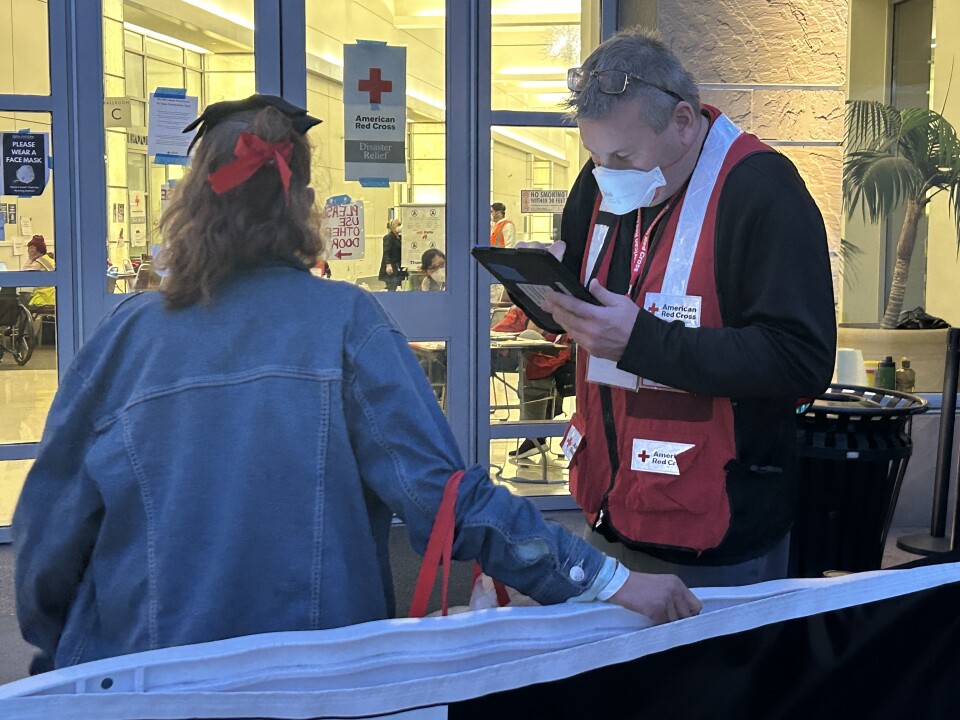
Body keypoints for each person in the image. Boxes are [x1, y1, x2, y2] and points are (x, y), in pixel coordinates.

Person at [13, 93, 699, 675]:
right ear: (301, 204)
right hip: (318, 677)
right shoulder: (345, 323)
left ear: (189, 201)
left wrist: (64, 656)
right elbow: (448, 497)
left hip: (147, 675)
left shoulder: (123, 336)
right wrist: (605, 578)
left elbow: (49, 536)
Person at [536, 29, 836, 587]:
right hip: (610, 507)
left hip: (716, 526)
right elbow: (585, 301)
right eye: (594, 156)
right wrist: (544, 293)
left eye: (622, 156)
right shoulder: (604, 178)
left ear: (682, 121)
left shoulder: (763, 190)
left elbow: (801, 359)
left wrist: (640, 342)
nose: (606, 175)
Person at [491, 306, 574, 460]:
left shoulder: (533, 308)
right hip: (543, 357)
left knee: (529, 344)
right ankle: (534, 437)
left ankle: (534, 437)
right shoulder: (524, 309)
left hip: (554, 359)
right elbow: (499, 332)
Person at [23, 235, 56, 316]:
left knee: (21, 300)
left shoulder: (39, 262)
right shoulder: (49, 258)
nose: (28, 250)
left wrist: (30, 259)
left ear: (35, 249)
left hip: (44, 298)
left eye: (30, 248)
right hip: (53, 296)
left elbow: (24, 276)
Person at [379, 218, 403, 291]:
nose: (400, 226)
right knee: (392, 287)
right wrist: (388, 265)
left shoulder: (399, 237)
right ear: (392, 226)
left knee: (398, 286)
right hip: (391, 266)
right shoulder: (388, 237)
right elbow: (386, 252)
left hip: (398, 266)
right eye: (398, 224)